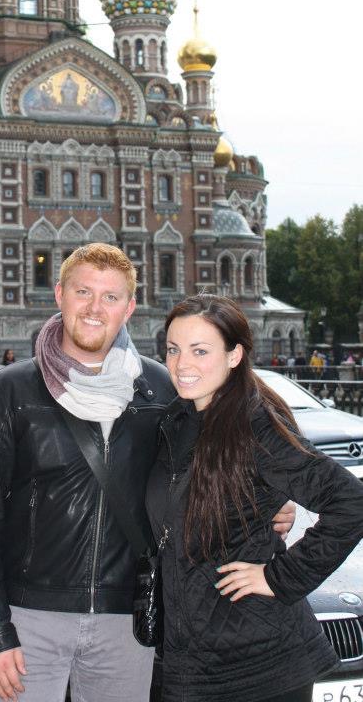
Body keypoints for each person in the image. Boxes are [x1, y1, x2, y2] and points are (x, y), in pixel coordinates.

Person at [0, 245, 293, 702]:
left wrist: (270, 500)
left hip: (126, 618)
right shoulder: (10, 390)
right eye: (83, 292)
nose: (95, 308)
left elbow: (212, 464)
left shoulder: (161, 387)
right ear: (59, 294)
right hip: (30, 614)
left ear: (129, 307)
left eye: (111, 297)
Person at [146, 295, 363, 702]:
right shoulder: (177, 420)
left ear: (234, 355)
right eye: (173, 349)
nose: (181, 364)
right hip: (188, 661)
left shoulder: (254, 424)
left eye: (200, 351)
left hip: (260, 665)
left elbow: (350, 502)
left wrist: (277, 577)